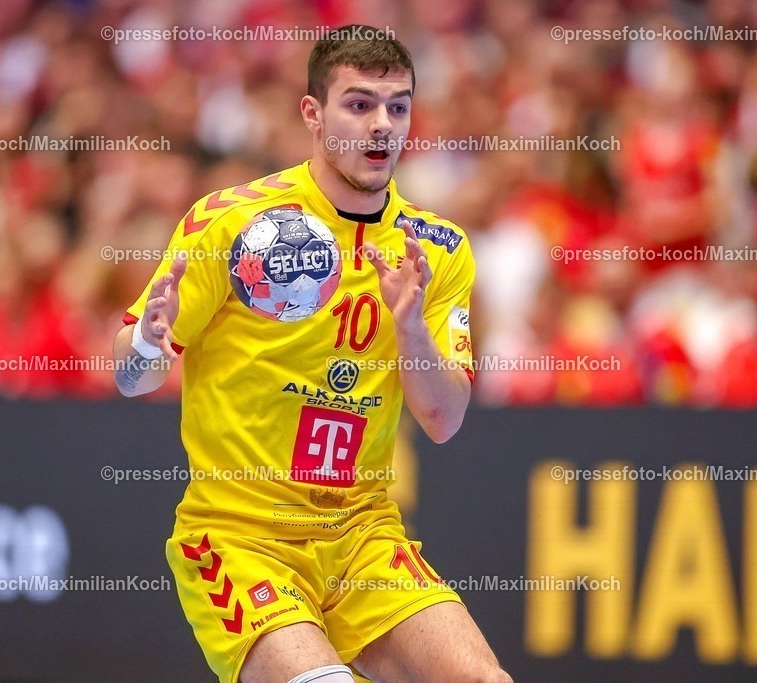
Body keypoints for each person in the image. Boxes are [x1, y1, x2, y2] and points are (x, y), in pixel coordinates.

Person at [113, 24, 511, 683]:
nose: (382, 125)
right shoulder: (233, 223)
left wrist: (410, 327)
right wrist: (146, 346)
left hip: (362, 534)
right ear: (313, 113)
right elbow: (129, 376)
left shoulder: (435, 249)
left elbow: (445, 419)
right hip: (240, 536)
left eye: (398, 106)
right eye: (358, 104)